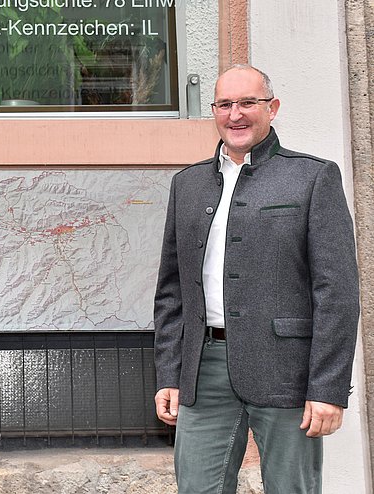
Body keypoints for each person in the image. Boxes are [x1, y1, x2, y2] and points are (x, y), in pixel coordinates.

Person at [153, 64, 359, 493]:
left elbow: (336, 293)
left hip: (287, 371)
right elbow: (171, 291)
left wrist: (328, 387)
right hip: (203, 368)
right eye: (225, 104)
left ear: (272, 108)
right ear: (213, 111)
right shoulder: (187, 185)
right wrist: (170, 374)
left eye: (248, 103)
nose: (236, 114)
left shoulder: (312, 177)